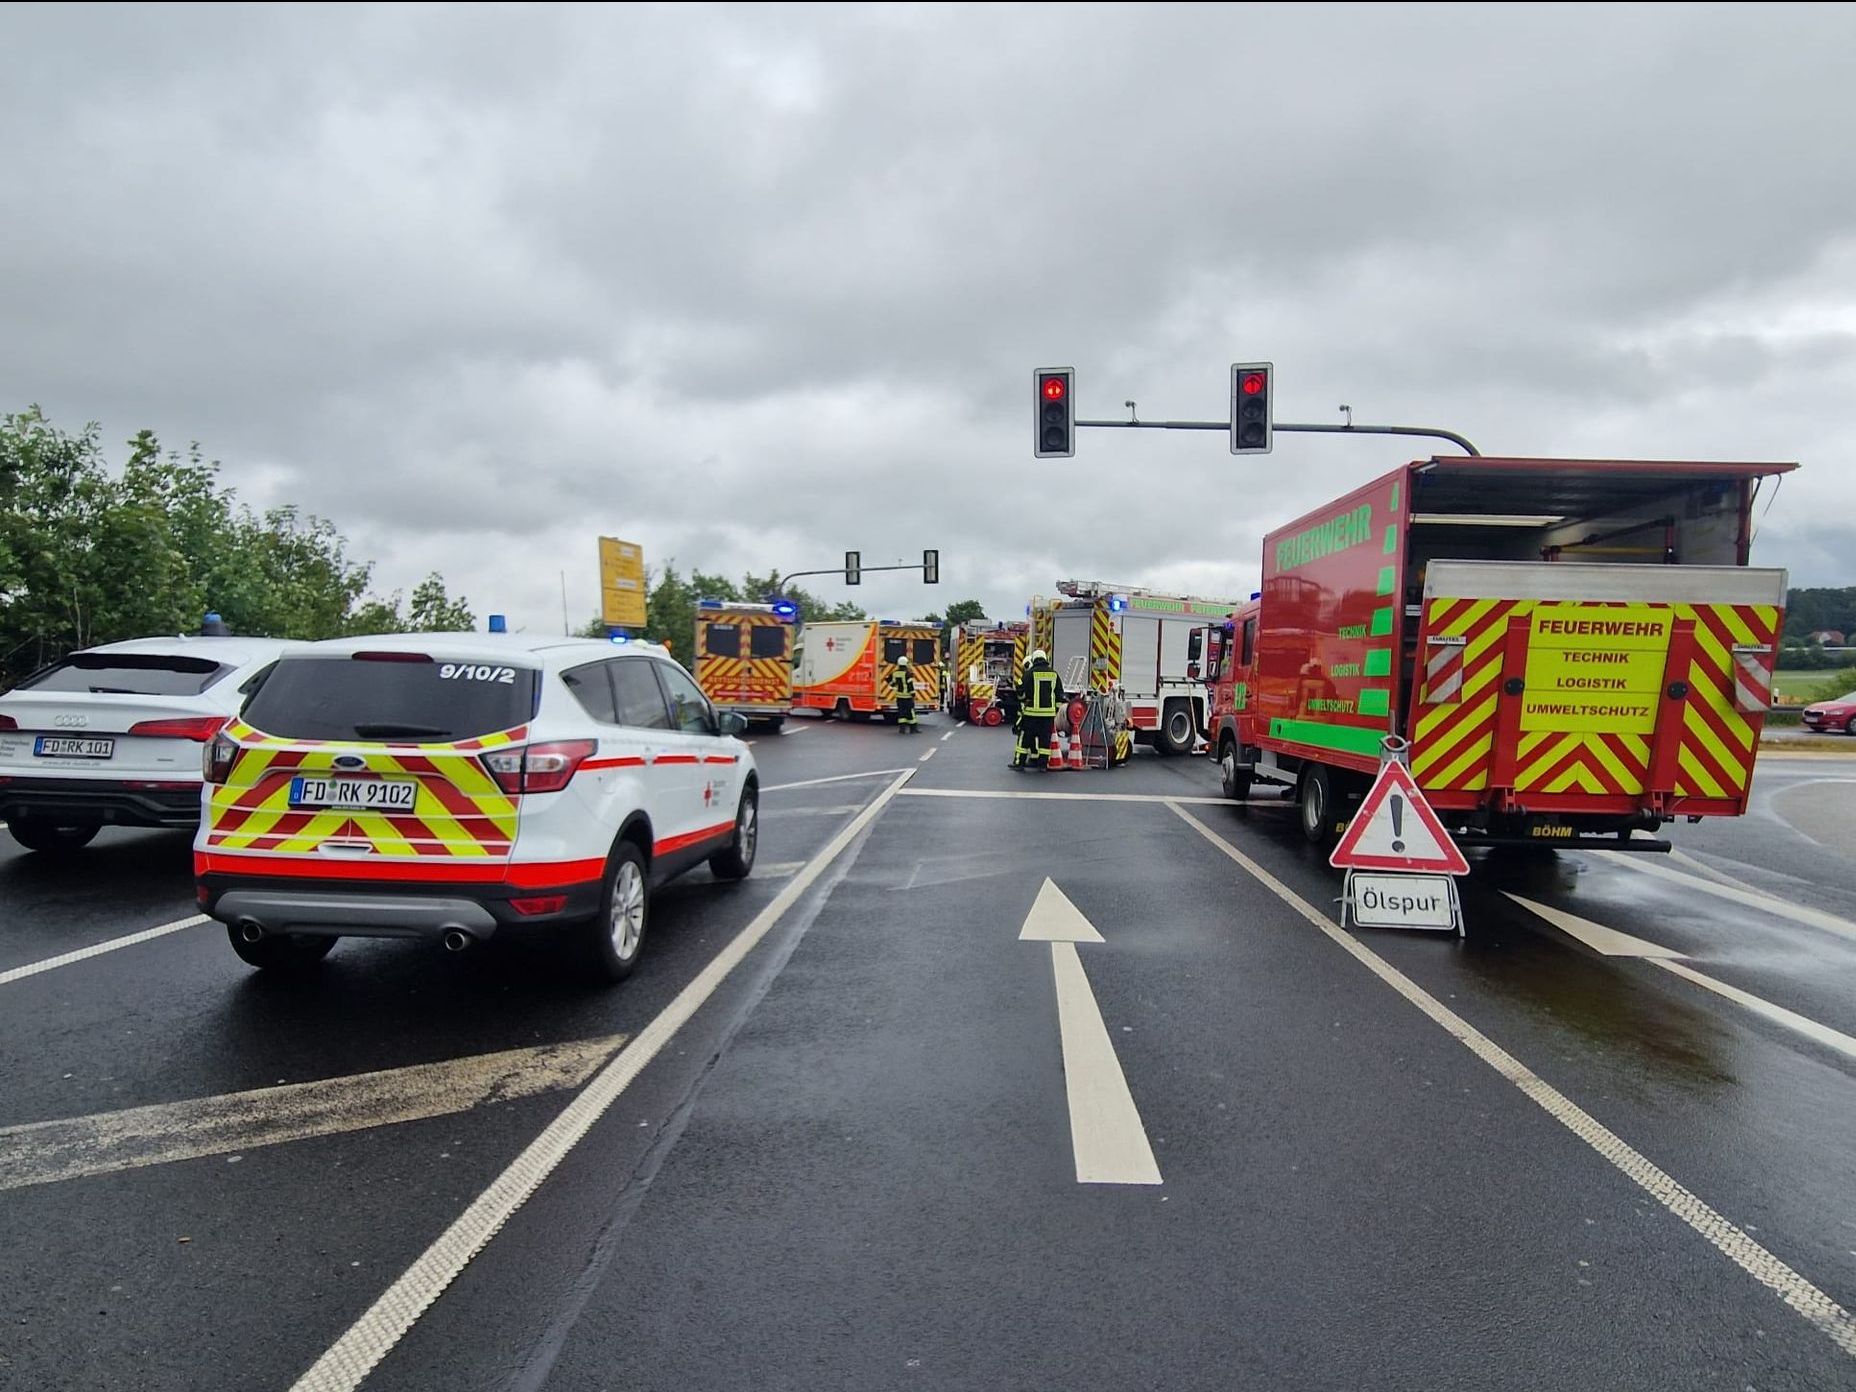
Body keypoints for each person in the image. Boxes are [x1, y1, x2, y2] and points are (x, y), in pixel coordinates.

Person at [1012, 649, 1062, 769]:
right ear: (1045, 659)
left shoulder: (1029, 673)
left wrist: (1023, 698)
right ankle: (1042, 765)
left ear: (1034, 659)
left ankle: (1020, 763)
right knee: (1044, 742)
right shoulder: (1054, 674)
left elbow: (1019, 687)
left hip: (1031, 715)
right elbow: (1060, 695)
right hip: (1048, 716)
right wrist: (1055, 710)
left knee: (1025, 740)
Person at [888, 656, 919, 734]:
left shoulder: (895, 673)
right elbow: (910, 685)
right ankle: (913, 729)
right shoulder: (907, 673)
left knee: (901, 712)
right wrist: (913, 693)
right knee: (911, 712)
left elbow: (892, 684)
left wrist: (890, 682)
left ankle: (902, 729)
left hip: (899, 696)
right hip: (907, 696)